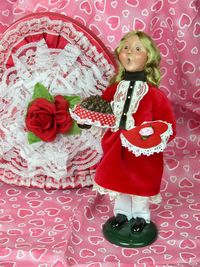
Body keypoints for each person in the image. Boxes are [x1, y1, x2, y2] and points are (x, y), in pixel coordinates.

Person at [92, 30, 176, 235]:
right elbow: (100, 110)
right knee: (117, 180)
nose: (130, 53)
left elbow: (168, 126)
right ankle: (122, 213)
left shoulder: (155, 95)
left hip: (142, 153)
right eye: (126, 48)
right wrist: (88, 119)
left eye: (138, 49)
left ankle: (141, 216)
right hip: (114, 146)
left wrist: (152, 137)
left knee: (140, 182)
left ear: (149, 57)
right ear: (119, 54)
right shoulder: (113, 89)